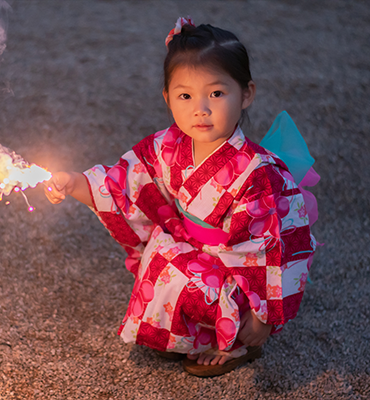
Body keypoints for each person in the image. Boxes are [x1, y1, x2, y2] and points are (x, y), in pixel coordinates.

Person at [44, 17, 318, 377]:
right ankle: (192, 335)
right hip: (191, 243)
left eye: (216, 93)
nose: (200, 109)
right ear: (167, 98)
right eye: (185, 95)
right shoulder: (168, 145)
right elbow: (128, 183)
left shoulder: (260, 174)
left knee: (185, 276)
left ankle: (235, 343)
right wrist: (75, 182)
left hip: (236, 269)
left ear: (246, 93)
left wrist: (263, 316)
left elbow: (273, 248)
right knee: (162, 258)